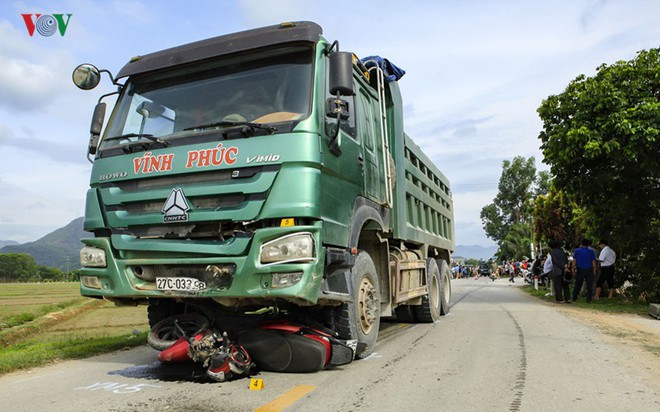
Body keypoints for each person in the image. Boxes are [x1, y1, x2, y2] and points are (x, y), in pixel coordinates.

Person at [571, 238, 598, 303]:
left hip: (580, 269)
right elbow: (593, 261)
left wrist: (573, 269)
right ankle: (588, 299)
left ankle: (574, 297)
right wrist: (594, 269)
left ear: (581, 243)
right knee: (589, 285)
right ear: (588, 244)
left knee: (578, 284)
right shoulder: (591, 252)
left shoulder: (577, 251)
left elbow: (574, 261)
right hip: (589, 269)